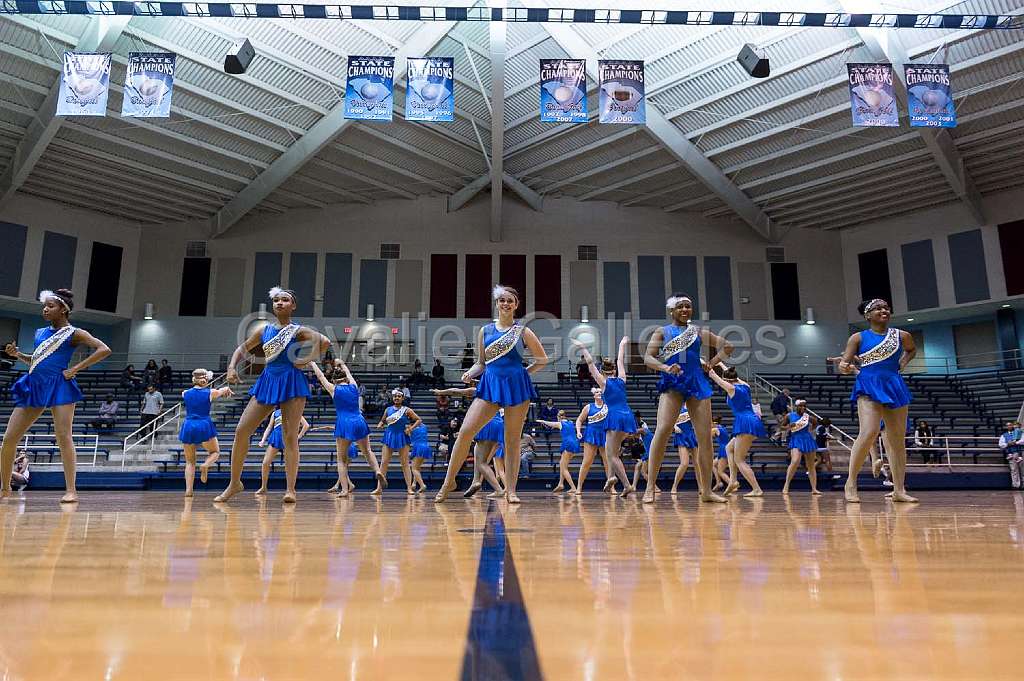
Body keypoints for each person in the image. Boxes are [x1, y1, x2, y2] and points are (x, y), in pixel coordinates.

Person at [434, 285, 549, 504]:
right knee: (466, 431)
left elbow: (542, 359)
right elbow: (481, 363)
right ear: (496, 304)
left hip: (516, 386)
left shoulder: (523, 331)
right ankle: (449, 481)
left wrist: (524, 373)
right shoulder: (485, 331)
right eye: (502, 300)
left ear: (516, 305)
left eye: (510, 301)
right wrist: (470, 372)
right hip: (490, 383)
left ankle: (511, 490)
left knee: (512, 440)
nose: (506, 303)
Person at [215, 286, 330, 504]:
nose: (279, 303)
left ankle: (290, 489)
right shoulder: (264, 330)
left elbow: (325, 342)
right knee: (241, 430)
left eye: (285, 300)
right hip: (268, 380)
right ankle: (234, 484)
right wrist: (231, 367)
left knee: (289, 437)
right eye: (276, 300)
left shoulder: (298, 330)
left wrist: (306, 360)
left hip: (291, 381)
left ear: (293, 306)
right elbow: (242, 349)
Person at [1, 289, 111, 502]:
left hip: (60, 385)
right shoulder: (40, 332)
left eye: (50, 306)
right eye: (44, 306)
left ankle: (71, 490)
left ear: (63, 310)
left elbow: (103, 349)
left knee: (63, 436)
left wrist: (76, 368)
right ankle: (5, 488)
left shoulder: (74, 333)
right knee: (9, 438)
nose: (45, 309)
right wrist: (18, 355)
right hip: (34, 385)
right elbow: (36, 360)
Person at [643, 294, 733, 504]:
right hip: (673, 381)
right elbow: (648, 357)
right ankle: (650, 488)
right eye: (680, 306)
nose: (685, 310)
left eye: (688, 307)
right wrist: (665, 367)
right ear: (671, 311)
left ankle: (707, 491)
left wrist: (711, 363)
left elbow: (727, 346)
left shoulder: (698, 332)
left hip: (697, 382)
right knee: (663, 430)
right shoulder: (662, 331)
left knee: (704, 438)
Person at [838, 298, 918, 504]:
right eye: (878, 308)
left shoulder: (902, 335)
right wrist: (844, 367)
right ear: (867, 315)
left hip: (894, 384)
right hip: (868, 384)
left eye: (886, 308)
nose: (884, 311)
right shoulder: (857, 338)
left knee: (897, 439)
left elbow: (911, 350)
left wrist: (903, 362)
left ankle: (899, 489)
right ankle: (851, 483)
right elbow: (844, 363)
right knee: (869, 431)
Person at [308, 361, 383, 497]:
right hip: (359, 420)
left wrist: (313, 364)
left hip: (344, 422)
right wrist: (342, 364)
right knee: (368, 451)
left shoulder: (333, 388)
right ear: (345, 378)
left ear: (334, 380)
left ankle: (344, 490)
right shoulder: (354, 386)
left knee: (341, 460)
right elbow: (349, 372)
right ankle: (377, 471)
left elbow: (320, 376)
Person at [576, 337, 636, 496]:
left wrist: (582, 346)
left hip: (615, 416)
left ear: (602, 371)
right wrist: (622, 344)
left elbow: (590, 364)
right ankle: (613, 479)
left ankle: (625, 484)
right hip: (627, 415)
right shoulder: (622, 379)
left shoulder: (603, 383)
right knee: (612, 452)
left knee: (611, 454)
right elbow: (621, 360)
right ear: (614, 371)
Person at [707, 366, 765, 498]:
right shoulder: (745, 385)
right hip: (752, 420)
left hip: (744, 421)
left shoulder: (731, 388)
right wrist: (721, 364)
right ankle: (732, 480)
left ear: (728, 380)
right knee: (729, 448)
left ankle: (756, 489)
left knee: (739, 459)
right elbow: (732, 377)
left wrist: (711, 372)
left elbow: (718, 380)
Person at [177, 368, 233, 497]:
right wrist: (226, 389)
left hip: (189, 425)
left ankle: (189, 490)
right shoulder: (211, 392)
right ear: (206, 379)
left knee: (190, 461)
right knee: (215, 452)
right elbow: (223, 390)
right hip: (204, 424)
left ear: (193, 379)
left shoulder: (185, 393)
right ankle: (206, 465)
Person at [375, 388, 421, 496]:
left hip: (402, 436)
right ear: (393, 397)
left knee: (405, 464)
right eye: (395, 396)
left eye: (399, 396)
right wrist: (380, 424)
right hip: (389, 436)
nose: (396, 398)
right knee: (384, 463)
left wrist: (410, 428)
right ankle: (378, 488)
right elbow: (382, 420)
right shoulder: (388, 409)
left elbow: (419, 420)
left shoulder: (407, 410)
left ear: (402, 398)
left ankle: (409, 488)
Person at [255, 408, 310, 496]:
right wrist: (263, 440)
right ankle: (263, 487)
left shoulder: (294, 410)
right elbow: (269, 427)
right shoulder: (275, 413)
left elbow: (306, 425)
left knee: (289, 465)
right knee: (265, 463)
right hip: (276, 438)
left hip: (288, 439)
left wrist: (298, 436)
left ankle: (290, 489)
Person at [574, 388, 616, 496]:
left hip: (605, 434)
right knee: (587, 461)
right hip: (591, 434)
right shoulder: (588, 407)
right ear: (594, 395)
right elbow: (579, 420)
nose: (599, 394)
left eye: (601, 392)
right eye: (597, 392)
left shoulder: (608, 406)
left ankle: (611, 487)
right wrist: (578, 431)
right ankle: (579, 487)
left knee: (608, 462)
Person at [536, 409, 581, 494]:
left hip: (568, 444)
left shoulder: (560, 423)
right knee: (561, 463)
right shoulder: (571, 422)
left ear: (558, 417)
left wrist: (542, 421)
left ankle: (573, 487)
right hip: (575, 443)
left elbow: (550, 423)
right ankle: (560, 483)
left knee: (564, 468)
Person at [781, 399, 820, 495]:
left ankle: (814, 488)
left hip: (808, 439)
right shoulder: (790, 416)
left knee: (811, 465)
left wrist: (811, 429)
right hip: (796, 439)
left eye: (804, 406)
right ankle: (786, 486)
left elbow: (815, 422)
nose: (803, 408)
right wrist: (789, 427)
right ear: (796, 406)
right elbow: (782, 426)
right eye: (801, 406)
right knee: (795, 461)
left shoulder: (807, 417)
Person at [668, 406, 698, 495]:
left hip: (691, 435)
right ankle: (674, 486)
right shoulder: (675, 406)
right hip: (681, 435)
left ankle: (701, 487)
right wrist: (674, 426)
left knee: (697, 463)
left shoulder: (692, 405)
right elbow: (668, 420)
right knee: (684, 463)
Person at [999, 421, 1023, 489]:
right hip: (1011, 453)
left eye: (1010, 425)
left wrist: (1016, 442)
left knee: (1022, 469)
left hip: (1020, 452)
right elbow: (1001, 445)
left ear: (1012, 426)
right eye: (1007, 425)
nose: (1009, 426)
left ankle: (1023, 484)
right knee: (1014, 469)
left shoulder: (1019, 433)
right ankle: (1016, 485)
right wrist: (1008, 444)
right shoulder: (1004, 435)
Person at [409, 422, 432, 493]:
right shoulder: (424, 426)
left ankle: (422, 485)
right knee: (417, 467)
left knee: (414, 469)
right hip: (426, 446)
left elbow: (409, 438)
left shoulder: (410, 428)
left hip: (418, 447)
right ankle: (414, 483)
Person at [711, 417, 730, 492]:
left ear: (714, 423)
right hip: (725, 448)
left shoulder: (715, 429)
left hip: (723, 449)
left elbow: (709, 436)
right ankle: (718, 482)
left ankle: (732, 484)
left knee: (721, 471)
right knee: (712, 464)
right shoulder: (722, 427)